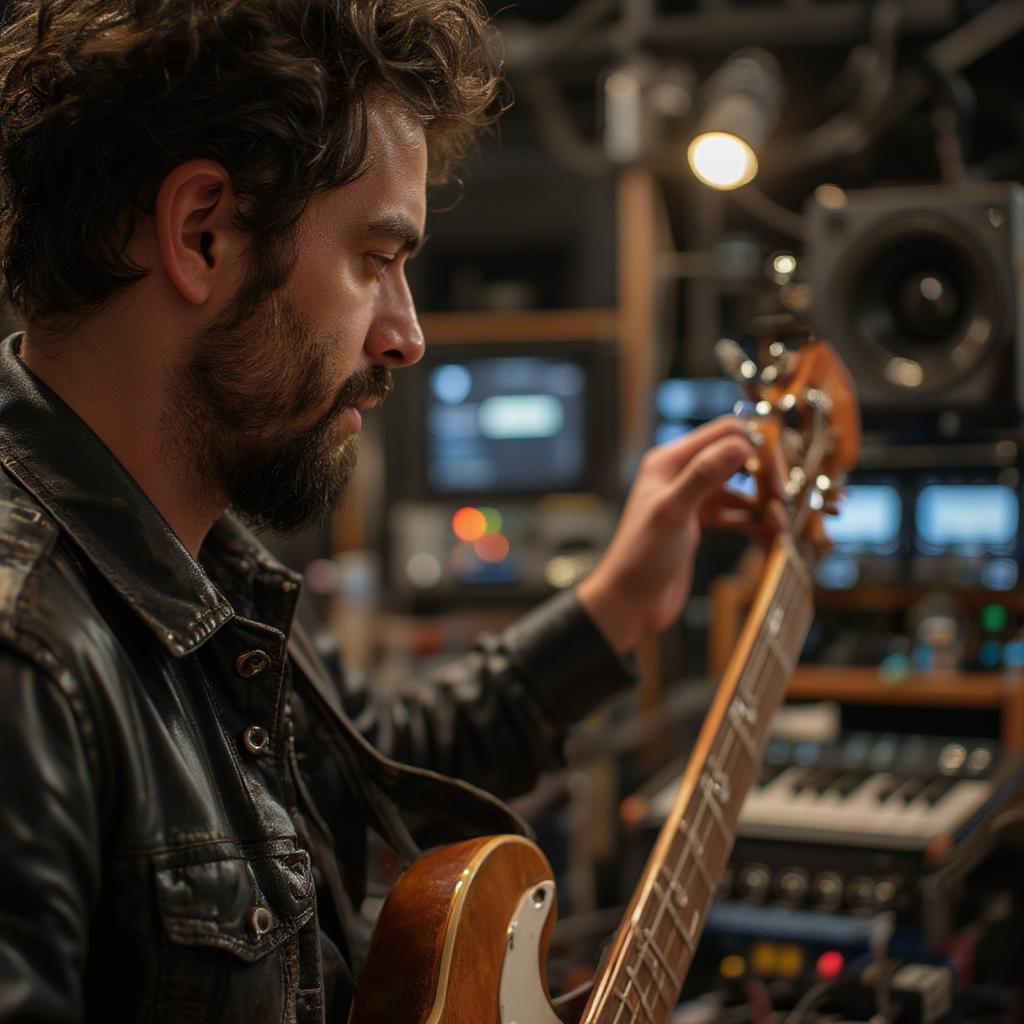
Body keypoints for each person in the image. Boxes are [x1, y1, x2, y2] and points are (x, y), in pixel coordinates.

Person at [0, 1, 774, 1021]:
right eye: (376, 258)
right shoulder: (27, 660)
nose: (406, 335)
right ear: (202, 234)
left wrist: (617, 599)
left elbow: (381, 762)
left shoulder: (211, 562)